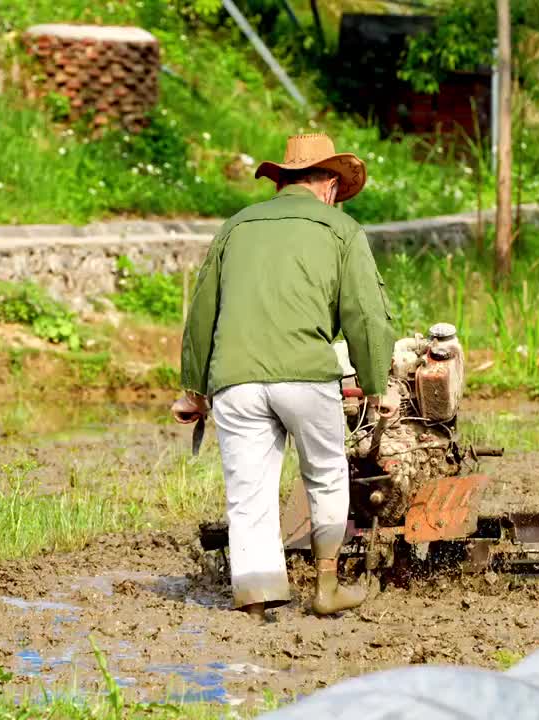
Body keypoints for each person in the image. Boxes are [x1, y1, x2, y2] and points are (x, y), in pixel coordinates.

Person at [171, 133, 396, 621]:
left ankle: (256, 601)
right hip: (306, 375)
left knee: (249, 491)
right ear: (331, 184)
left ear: (281, 180)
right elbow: (366, 316)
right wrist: (377, 388)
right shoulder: (341, 230)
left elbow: (203, 311)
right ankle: (328, 587)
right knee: (326, 473)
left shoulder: (236, 226)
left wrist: (194, 390)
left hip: (235, 380)